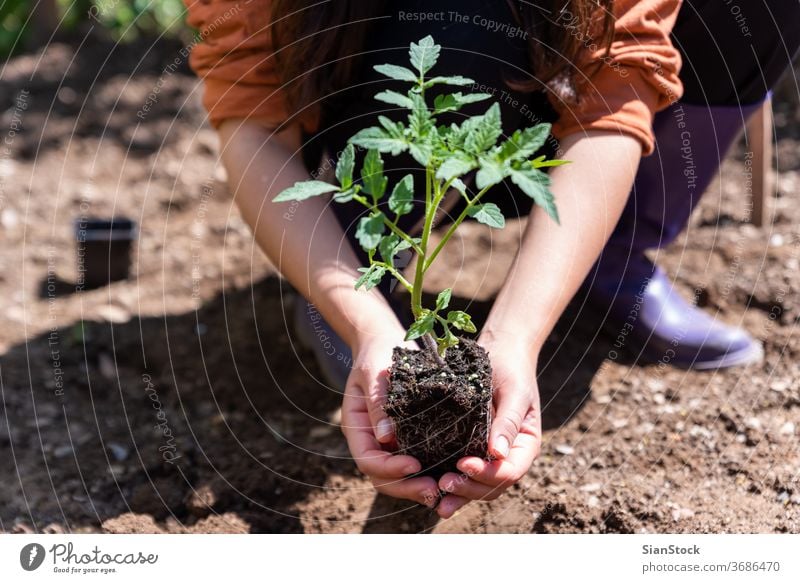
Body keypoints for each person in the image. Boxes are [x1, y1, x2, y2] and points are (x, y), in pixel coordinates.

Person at [183, 0, 800, 518]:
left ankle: (610, 258)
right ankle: (358, 258)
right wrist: (364, 322)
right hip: (398, 85)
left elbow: (618, 84)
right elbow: (252, 113)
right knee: (454, 24)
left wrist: (516, 336)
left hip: (545, 113)